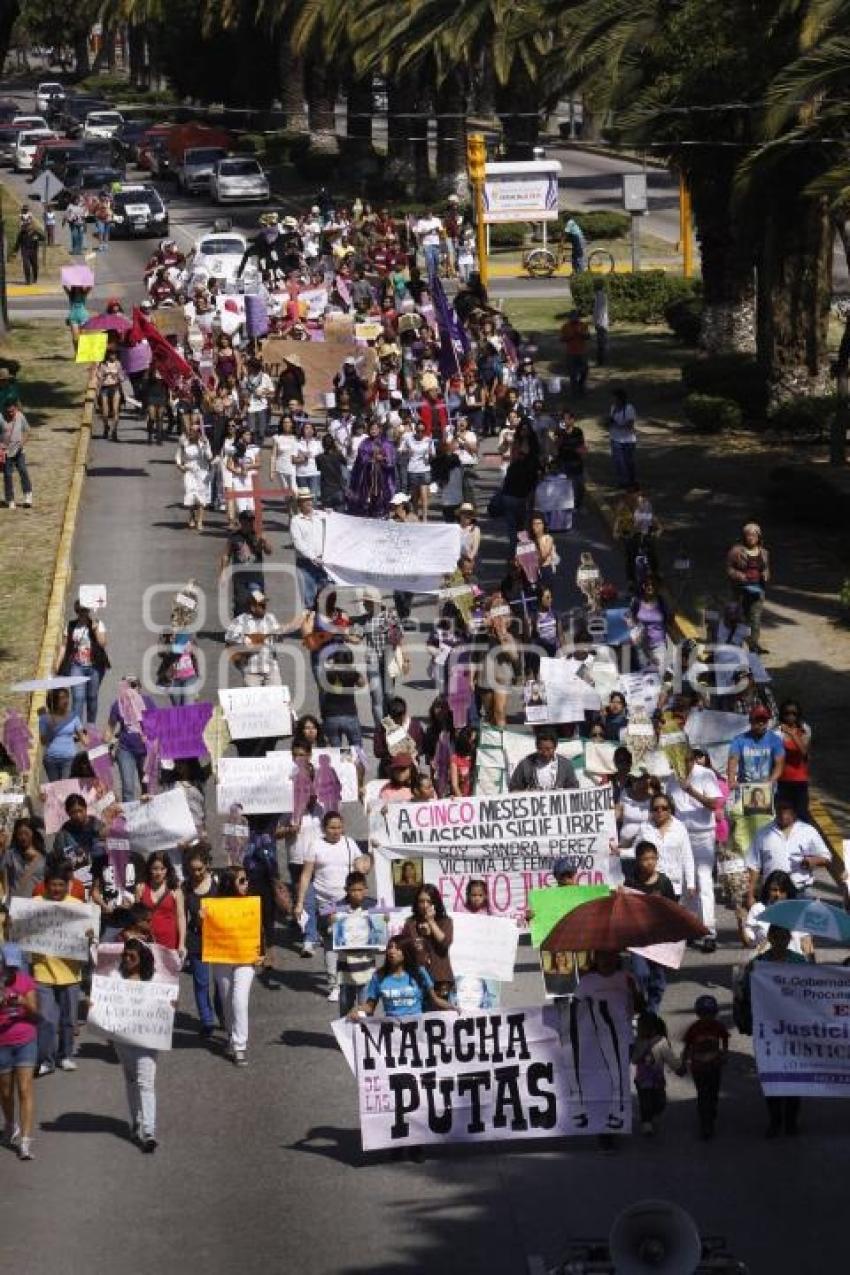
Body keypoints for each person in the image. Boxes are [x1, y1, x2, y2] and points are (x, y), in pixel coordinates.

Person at [293, 811, 361, 1001]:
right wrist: (300, 903)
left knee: (349, 942)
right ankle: (334, 984)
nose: (336, 831)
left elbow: (361, 867)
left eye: (339, 827)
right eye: (332, 827)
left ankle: (351, 979)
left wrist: (372, 854)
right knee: (331, 941)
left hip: (347, 901)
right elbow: (305, 876)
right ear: (324, 828)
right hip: (326, 903)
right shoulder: (315, 845)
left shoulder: (350, 844)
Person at [106, 938, 162, 1152]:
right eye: (125, 955)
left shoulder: (155, 980)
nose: (127, 959)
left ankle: (149, 1132)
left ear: (143, 959)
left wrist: (172, 1006)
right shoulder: (116, 977)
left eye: (132, 956)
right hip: (123, 1039)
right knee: (131, 1079)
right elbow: (105, 1001)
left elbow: (164, 1004)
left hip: (147, 1040)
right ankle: (136, 1120)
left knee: (145, 1082)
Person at [32, 864, 89, 1076]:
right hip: (42, 970)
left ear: (67, 885)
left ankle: (65, 1055)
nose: (56, 889)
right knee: (46, 1018)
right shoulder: (36, 904)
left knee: (68, 1019)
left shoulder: (77, 906)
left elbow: (87, 936)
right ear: (45, 885)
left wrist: (89, 934)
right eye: (53, 885)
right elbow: (21, 932)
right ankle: (45, 1059)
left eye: (60, 885)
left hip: (70, 972)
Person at [665, 748, 722, 951]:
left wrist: (691, 791)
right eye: (679, 760)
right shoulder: (672, 778)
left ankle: (709, 931)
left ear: (692, 759)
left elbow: (714, 804)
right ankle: (688, 927)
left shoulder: (705, 774)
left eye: (687, 760)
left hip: (703, 834)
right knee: (684, 881)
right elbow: (669, 806)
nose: (684, 764)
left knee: (703, 880)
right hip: (681, 835)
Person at [212, 866, 261, 1065]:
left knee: (239, 1000)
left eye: (246, 879)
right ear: (229, 883)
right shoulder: (215, 905)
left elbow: (260, 928)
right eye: (241, 880)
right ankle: (232, 1035)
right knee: (225, 1000)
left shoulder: (251, 903)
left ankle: (240, 1045)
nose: (246, 883)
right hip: (221, 958)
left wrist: (261, 952)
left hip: (245, 959)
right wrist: (201, 918)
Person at [347, 935, 455, 1021]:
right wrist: (356, 1010)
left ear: (406, 952)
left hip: (417, 1031)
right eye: (390, 947)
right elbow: (370, 1007)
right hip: (393, 1032)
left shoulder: (419, 972)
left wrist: (454, 1008)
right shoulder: (379, 976)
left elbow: (435, 1000)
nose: (392, 951)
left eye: (398, 948)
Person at [745, 797, 831, 905]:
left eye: (787, 811)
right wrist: (750, 895)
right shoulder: (763, 833)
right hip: (774, 894)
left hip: (801, 891)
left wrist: (812, 861)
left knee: (800, 922)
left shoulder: (808, 831)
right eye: (780, 810)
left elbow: (827, 858)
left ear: (794, 812)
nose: (783, 814)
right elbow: (753, 866)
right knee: (774, 922)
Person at [623, 842, 676, 1012]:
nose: (650, 862)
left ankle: (652, 1011)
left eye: (653, 858)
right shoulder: (630, 882)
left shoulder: (664, 882)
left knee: (658, 976)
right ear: (637, 860)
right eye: (645, 859)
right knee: (641, 973)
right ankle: (639, 1001)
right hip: (638, 938)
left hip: (659, 938)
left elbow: (673, 908)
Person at [0, 943, 38, 1160]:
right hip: (2, 1042)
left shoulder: (25, 980)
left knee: (24, 1090)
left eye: (15, 966)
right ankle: (10, 1124)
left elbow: (35, 1014)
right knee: (5, 1093)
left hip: (25, 1040)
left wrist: (23, 1001)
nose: (12, 971)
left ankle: (25, 1141)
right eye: (8, 966)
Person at [328, 870, 378, 1016]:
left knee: (365, 1012)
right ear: (346, 890)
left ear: (366, 889)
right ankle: (344, 1039)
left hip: (367, 969)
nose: (357, 893)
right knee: (345, 1011)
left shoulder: (373, 906)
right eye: (353, 890)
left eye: (360, 890)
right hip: (346, 971)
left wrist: (384, 922)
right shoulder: (337, 908)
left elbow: (381, 933)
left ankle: (364, 1038)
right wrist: (331, 923)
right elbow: (327, 931)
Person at [681, 994, 729, 1141]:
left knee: (713, 1093)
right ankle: (705, 1125)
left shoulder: (718, 1026)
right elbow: (687, 1046)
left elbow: (725, 1038)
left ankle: (711, 1112)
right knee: (702, 1095)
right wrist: (683, 1062)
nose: (707, 1017)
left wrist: (725, 1054)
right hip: (698, 1067)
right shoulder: (694, 1029)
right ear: (698, 1014)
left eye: (710, 1014)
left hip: (715, 1066)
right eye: (704, 1014)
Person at [182, 848, 218, 1039]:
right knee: (201, 982)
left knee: (221, 984)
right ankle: (207, 1020)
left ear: (208, 866)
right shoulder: (185, 887)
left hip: (219, 939)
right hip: (196, 938)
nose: (196, 874)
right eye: (192, 870)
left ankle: (223, 1014)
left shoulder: (218, 883)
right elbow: (181, 916)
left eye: (200, 870)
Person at [58, 596, 110, 725]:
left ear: (89, 611)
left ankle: (91, 725)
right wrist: (58, 662)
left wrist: (95, 630)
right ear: (77, 611)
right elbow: (64, 646)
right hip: (77, 666)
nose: (83, 613)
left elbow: (103, 643)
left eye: (85, 610)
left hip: (95, 667)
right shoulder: (71, 626)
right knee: (78, 697)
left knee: (92, 697)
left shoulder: (97, 624)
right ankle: (77, 727)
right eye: (80, 610)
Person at [635, 794, 696, 901]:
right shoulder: (645, 827)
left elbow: (687, 856)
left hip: (674, 884)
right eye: (656, 809)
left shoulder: (680, 828)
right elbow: (636, 851)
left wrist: (691, 884)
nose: (660, 811)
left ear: (670, 810)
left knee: (670, 917)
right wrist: (619, 852)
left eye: (664, 808)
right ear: (651, 811)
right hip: (651, 882)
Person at [632, 1011, 680, 1137]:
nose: (639, 1031)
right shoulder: (639, 1042)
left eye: (641, 1028)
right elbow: (634, 1059)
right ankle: (646, 1123)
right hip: (642, 1080)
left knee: (660, 1102)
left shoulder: (662, 1042)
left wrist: (677, 1067)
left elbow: (670, 1058)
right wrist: (643, 1047)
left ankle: (654, 1114)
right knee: (645, 1103)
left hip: (658, 1079)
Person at [401, 884, 455, 996]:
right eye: (421, 901)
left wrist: (431, 922)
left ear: (435, 903)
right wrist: (420, 937)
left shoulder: (445, 921)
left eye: (429, 902)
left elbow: (445, 943)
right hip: (417, 979)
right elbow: (404, 948)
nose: (425, 905)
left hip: (439, 979)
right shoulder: (410, 922)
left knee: (440, 1012)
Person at [225, 589, 286, 688]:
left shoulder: (270, 618)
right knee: (253, 702)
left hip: (271, 668)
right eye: (261, 605)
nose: (264, 607)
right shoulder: (240, 621)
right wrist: (248, 642)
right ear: (252, 607)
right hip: (251, 671)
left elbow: (278, 636)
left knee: (276, 701)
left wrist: (279, 635)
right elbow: (229, 641)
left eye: (265, 604)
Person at [742, 871, 811, 957]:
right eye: (774, 890)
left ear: (788, 892)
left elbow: (807, 944)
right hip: (766, 964)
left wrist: (812, 967)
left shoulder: (797, 912)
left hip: (793, 965)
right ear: (767, 890)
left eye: (782, 891)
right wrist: (741, 921)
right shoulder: (758, 909)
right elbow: (749, 942)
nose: (778, 894)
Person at [726, 522, 771, 654]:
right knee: (740, 618)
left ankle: (754, 644)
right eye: (748, 535)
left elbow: (766, 568)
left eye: (754, 535)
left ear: (759, 537)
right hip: (741, 590)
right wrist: (739, 575)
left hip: (758, 590)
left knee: (755, 619)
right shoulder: (736, 551)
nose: (751, 537)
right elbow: (729, 569)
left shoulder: (764, 553)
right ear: (744, 536)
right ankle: (735, 643)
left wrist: (765, 574)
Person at [220, 510, 273, 619]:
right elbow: (226, 555)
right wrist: (223, 574)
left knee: (258, 604)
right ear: (241, 522)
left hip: (255, 578)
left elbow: (269, 551)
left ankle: (257, 630)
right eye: (247, 521)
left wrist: (265, 541)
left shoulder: (258, 535)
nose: (249, 523)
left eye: (251, 520)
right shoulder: (234, 537)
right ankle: (238, 630)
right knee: (241, 604)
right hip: (240, 578)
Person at [135, 852, 186, 955]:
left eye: (162, 869)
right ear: (149, 869)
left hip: (169, 941)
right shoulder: (141, 888)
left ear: (167, 869)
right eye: (155, 869)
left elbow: (181, 917)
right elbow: (136, 916)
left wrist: (181, 944)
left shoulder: (175, 890)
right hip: (146, 940)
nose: (159, 872)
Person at [726, 705, 784, 787]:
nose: (761, 723)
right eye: (757, 720)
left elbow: (779, 764)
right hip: (745, 787)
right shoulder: (739, 740)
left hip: (767, 788)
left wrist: (772, 780)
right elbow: (733, 759)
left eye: (764, 720)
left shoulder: (775, 740)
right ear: (750, 721)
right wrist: (731, 780)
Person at [290, 489, 329, 610]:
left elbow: (336, 525)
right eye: (304, 500)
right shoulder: (295, 521)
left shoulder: (322, 515)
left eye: (309, 499)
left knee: (326, 594)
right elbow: (298, 542)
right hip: (305, 563)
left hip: (323, 561)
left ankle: (324, 622)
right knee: (309, 597)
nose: (308, 502)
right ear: (299, 503)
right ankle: (310, 624)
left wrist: (332, 514)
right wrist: (312, 557)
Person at [509, 728, 579, 792]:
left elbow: (574, 788)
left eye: (548, 749)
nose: (545, 753)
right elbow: (513, 788)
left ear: (555, 747)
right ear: (536, 747)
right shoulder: (525, 764)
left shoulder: (565, 765)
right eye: (541, 749)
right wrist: (528, 792)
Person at [775, 699, 812, 818]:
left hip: (800, 780)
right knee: (784, 816)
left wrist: (792, 734)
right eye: (787, 713)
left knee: (801, 815)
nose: (790, 717)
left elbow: (804, 752)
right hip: (783, 781)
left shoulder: (805, 730)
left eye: (794, 714)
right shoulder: (777, 733)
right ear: (782, 714)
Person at [37, 688, 83, 782]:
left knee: (64, 787)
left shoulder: (73, 717)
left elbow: (83, 738)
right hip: (51, 759)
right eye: (62, 698)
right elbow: (43, 741)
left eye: (67, 697)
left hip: (69, 759)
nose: (65, 701)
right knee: (55, 789)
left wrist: (99, 740)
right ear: (55, 700)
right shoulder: (45, 719)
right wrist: (50, 728)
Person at [175, 416, 213, 531]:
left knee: (201, 496)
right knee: (190, 494)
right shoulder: (184, 441)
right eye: (190, 431)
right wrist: (179, 465)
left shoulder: (204, 442)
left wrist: (205, 446)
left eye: (194, 431)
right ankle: (191, 516)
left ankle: (200, 520)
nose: (191, 433)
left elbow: (210, 457)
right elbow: (178, 455)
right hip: (189, 472)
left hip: (202, 472)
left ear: (198, 433)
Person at [0, 819, 46, 900]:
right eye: (20, 834)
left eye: (26, 833)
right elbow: (4, 879)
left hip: (37, 903)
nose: (23, 837)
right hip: (16, 904)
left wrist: (36, 856)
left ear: (33, 834)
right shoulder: (10, 855)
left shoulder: (43, 857)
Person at [1, 402, 33, 510]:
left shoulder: (20, 416)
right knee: (8, 475)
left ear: (16, 409)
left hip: (19, 450)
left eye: (12, 411)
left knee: (23, 470)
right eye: (8, 412)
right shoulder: (1, 418)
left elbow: (28, 431)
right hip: (6, 452)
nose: (10, 414)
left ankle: (28, 496)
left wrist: (22, 443)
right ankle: (10, 499)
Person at [608, 386, 638, 487]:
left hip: (628, 440)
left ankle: (631, 480)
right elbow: (610, 421)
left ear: (620, 398)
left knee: (629, 461)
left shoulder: (629, 408)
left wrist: (617, 425)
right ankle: (622, 481)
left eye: (614, 398)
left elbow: (630, 425)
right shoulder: (612, 408)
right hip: (615, 438)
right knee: (618, 461)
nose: (612, 400)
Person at [95, 349, 124, 441]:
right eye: (111, 354)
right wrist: (103, 375)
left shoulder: (118, 364)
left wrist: (117, 376)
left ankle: (114, 431)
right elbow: (99, 376)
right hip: (105, 389)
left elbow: (122, 377)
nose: (113, 356)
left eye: (114, 354)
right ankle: (106, 427)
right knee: (105, 412)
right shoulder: (103, 364)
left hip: (115, 388)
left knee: (115, 410)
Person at [559, 310, 589, 396]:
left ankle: (581, 386)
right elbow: (562, 339)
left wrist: (580, 333)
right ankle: (574, 391)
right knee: (572, 373)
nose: (574, 318)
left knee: (584, 371)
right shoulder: (565, 326)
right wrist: (569, 337)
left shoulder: (583, 325)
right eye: (572, 317)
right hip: (571, 353)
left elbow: (588, 337)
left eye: (576, 317)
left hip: (582, 352)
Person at [8, 212, 44, 285]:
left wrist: (37, 237)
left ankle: (34, 278)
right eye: (25, 226)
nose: (27, 227)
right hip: (25, 251)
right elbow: (17, 243)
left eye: (28, 225)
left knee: (35, 266)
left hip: (33, 251)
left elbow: (43, 238)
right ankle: (27, 280)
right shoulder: (22, 233)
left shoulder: (35, 232)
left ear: (31, 226)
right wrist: (14, 252)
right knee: (26, 265)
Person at [592, 277, 609, 365]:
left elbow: (600, 311)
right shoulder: (598, 296)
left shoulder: (600, 296)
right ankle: (600, 360)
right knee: (600, 342)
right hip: (600, 323)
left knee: (601, 343)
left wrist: (598, 323)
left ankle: (601, 361)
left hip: (601, 323)